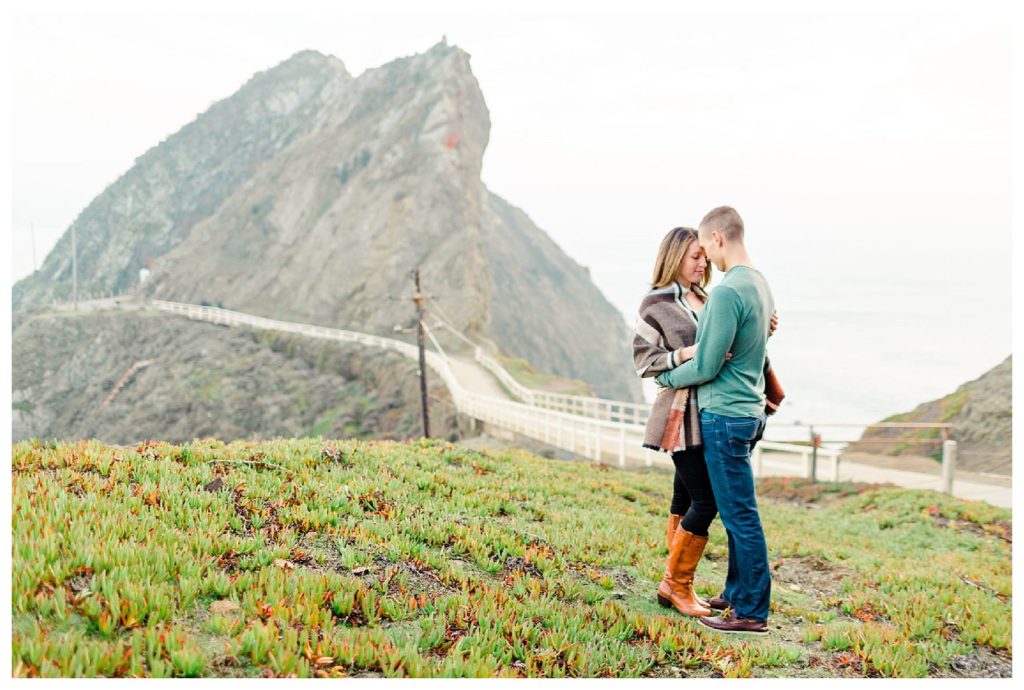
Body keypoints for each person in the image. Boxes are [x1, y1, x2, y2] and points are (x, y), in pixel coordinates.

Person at [656, 206, 774, 635]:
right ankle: (738, 593)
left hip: (725, 415)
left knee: (740, 515)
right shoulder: (760, 283)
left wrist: (666, 375)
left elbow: (705, 365)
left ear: (718, 239)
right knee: (731, 508)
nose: (706, 258)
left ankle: (751, 612)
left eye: (705, 247)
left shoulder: (726, 292)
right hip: (750, 410)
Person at [632, 227, 718, 618]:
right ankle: (675, 584)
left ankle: (679, 586)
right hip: (680, 413)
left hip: (711, 409)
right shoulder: (656, 302)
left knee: (684, 499)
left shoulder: (711, 298)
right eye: (693, 257)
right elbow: (644, 362)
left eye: (704, 256)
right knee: (707, 500)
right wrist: (687, 353)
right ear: (674, 258)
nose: (702, 264)